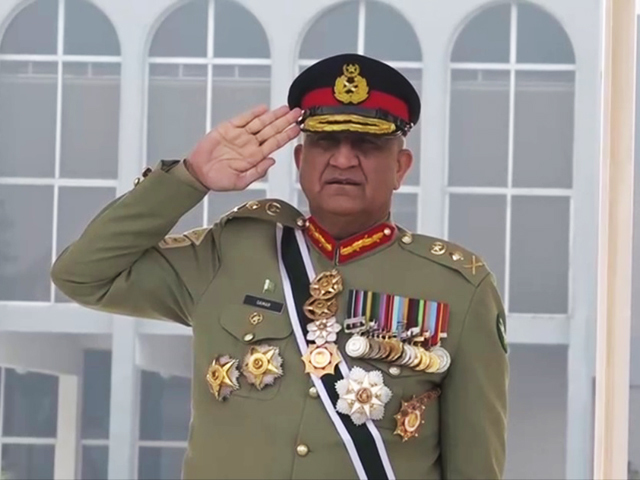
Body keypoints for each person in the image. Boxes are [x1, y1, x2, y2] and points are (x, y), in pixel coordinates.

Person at [51, 53, 508, 480]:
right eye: (326, 141)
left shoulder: (458, 288)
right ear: (300, 159)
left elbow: (475, 465)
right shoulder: (233, 250)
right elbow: (82, 275)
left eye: (367, 145)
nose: (344, 159)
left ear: (401, 167)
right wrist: (189, 179)